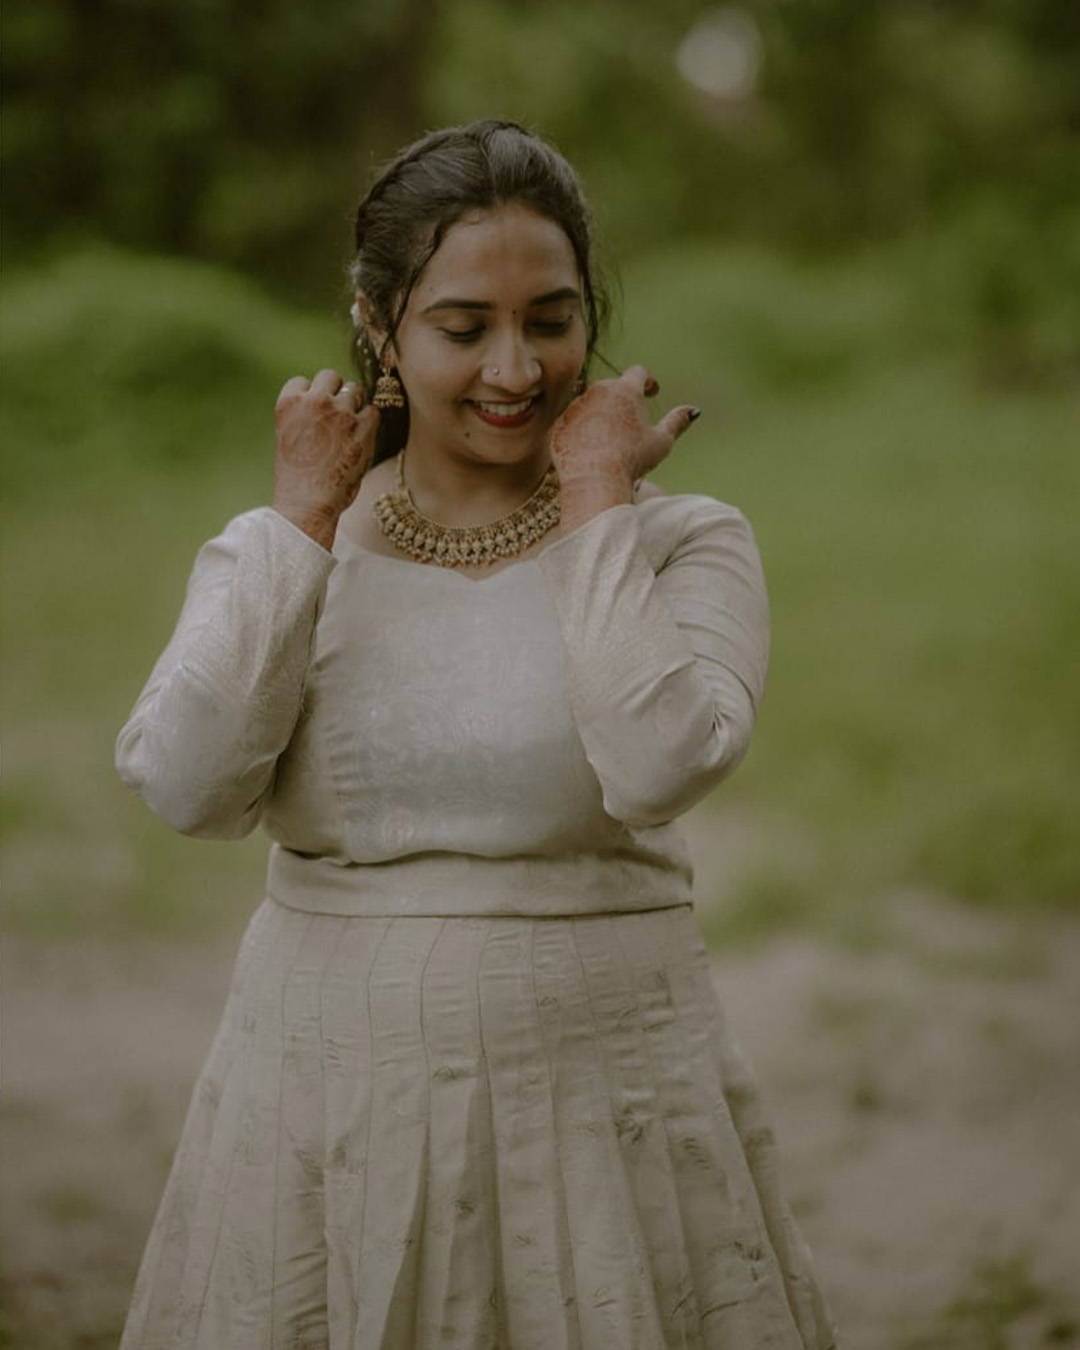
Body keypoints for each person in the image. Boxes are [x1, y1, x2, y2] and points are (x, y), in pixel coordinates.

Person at [116, 119, 836, 1349]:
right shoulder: (286, 546)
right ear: (377, 323)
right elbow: (186, 787)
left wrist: (597, 504)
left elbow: (662, 763)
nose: (516, 367)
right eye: (465, 328)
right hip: (327, 1102)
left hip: (608, 1104)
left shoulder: (680, 540)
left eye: (551, 320)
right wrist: (303, 521)